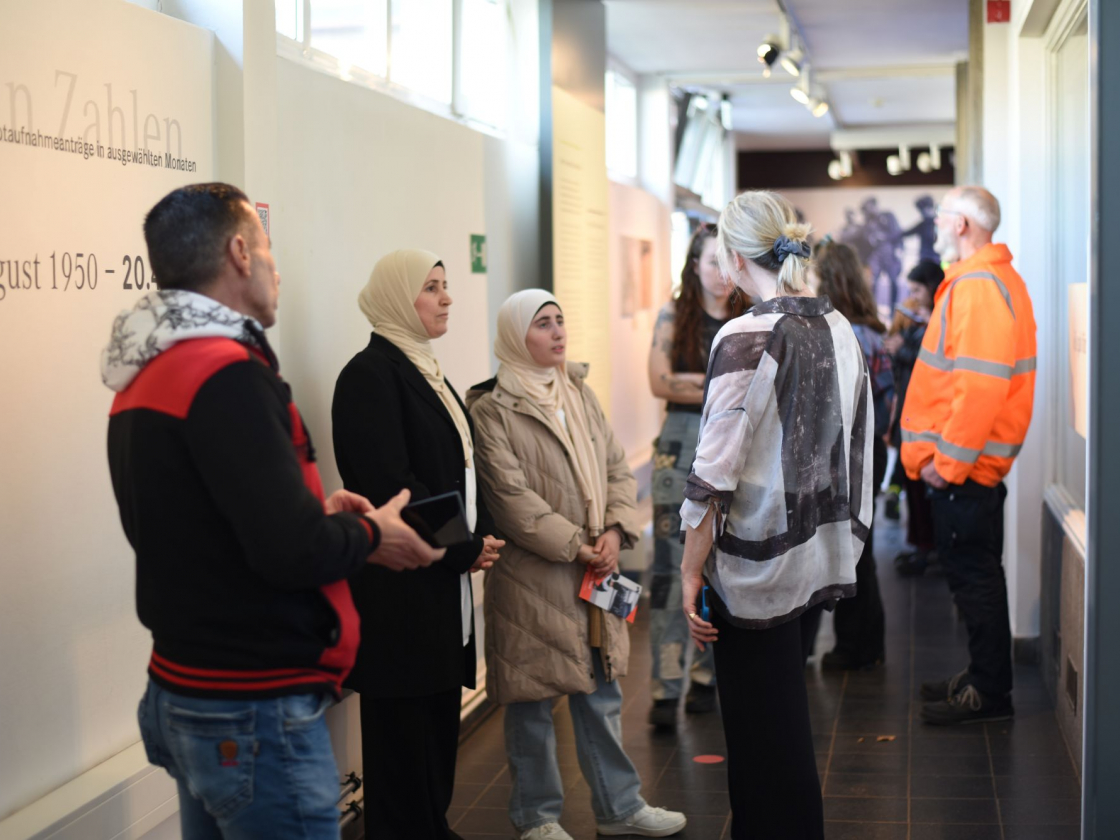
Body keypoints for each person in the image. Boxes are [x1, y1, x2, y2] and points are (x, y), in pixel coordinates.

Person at [103, 183, 444, 840]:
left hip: (188, 687)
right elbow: (290, 552)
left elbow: (202, 527)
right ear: (238, 251)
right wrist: (370, 531)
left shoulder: (146, 369)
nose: (276, 267)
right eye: (267, 248)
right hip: (250, 705)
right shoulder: (224, 372)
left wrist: (319, 514)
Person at [680, 191, 873, 840]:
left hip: (755, 565)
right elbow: (856, 441)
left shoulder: (748, 333)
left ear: (734, 259)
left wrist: (688, 571)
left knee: (761, 746)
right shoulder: (837, 327)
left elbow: (714, 468)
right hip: (817, 553)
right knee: (784, 730)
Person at [467, 290, 687, 840]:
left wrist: (614, 529)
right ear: (518, 336)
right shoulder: (492, 407)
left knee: (602, 691)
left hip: (595, 565)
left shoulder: (577, 390)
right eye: (543, 324)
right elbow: (511, 499)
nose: (558, 332)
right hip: (535, 575)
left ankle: (620, 808)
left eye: (561, 320)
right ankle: (537, 818)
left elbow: (615, 466)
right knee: (531, 700)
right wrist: (577, 544)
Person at [331, 249, 504, 840]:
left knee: (433, 727)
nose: (447, 297)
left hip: (437, 585)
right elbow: (398, 487)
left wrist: (468, 545)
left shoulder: (422, 366)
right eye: (431, 287)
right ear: (396, 298)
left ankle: (431, 827)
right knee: (403, 738)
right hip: (401, 592)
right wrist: (463, 548)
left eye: (446, 286)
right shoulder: (369, 375)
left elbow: (456, 474)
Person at [901, 186, 1037, 725]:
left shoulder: (978, 285)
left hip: (964, 472)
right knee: (976, 577)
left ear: (961, 225)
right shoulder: (986, 279)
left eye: (941, 216)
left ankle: (988, 692)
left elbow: (978, 389)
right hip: (971, 469)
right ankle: (983, 678)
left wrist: (945, 465)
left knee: (975, 580)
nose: (935, 225)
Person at [645, 222, 748, 728]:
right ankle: (666, 684)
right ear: (694, 265)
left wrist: (694, 382)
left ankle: (707, 678)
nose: (720, 273)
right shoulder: (675, 314)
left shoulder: (745, 315)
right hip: (679, 444)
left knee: (718, 563)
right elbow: (657, 381)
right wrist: (719, 384)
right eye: (711, 261)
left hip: (731, 445)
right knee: (669, 569)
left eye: (727, 262)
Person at [812, 239, 893, 671]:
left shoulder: (842, 334)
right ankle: (868, 644)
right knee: (864, 547)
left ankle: (854, 648)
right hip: (870, 453)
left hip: (846, 456)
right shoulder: (873, 333)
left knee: (848, 551)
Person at [885, 260, 944, 576]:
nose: (914, 296)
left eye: (918, 289)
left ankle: (926, 549)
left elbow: (933, 365)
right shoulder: (924, 322)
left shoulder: (938, 322)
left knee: (921, 492)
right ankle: (922, 547)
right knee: (914, 488)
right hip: (913, 417)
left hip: (924, 421)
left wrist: (901, 350)